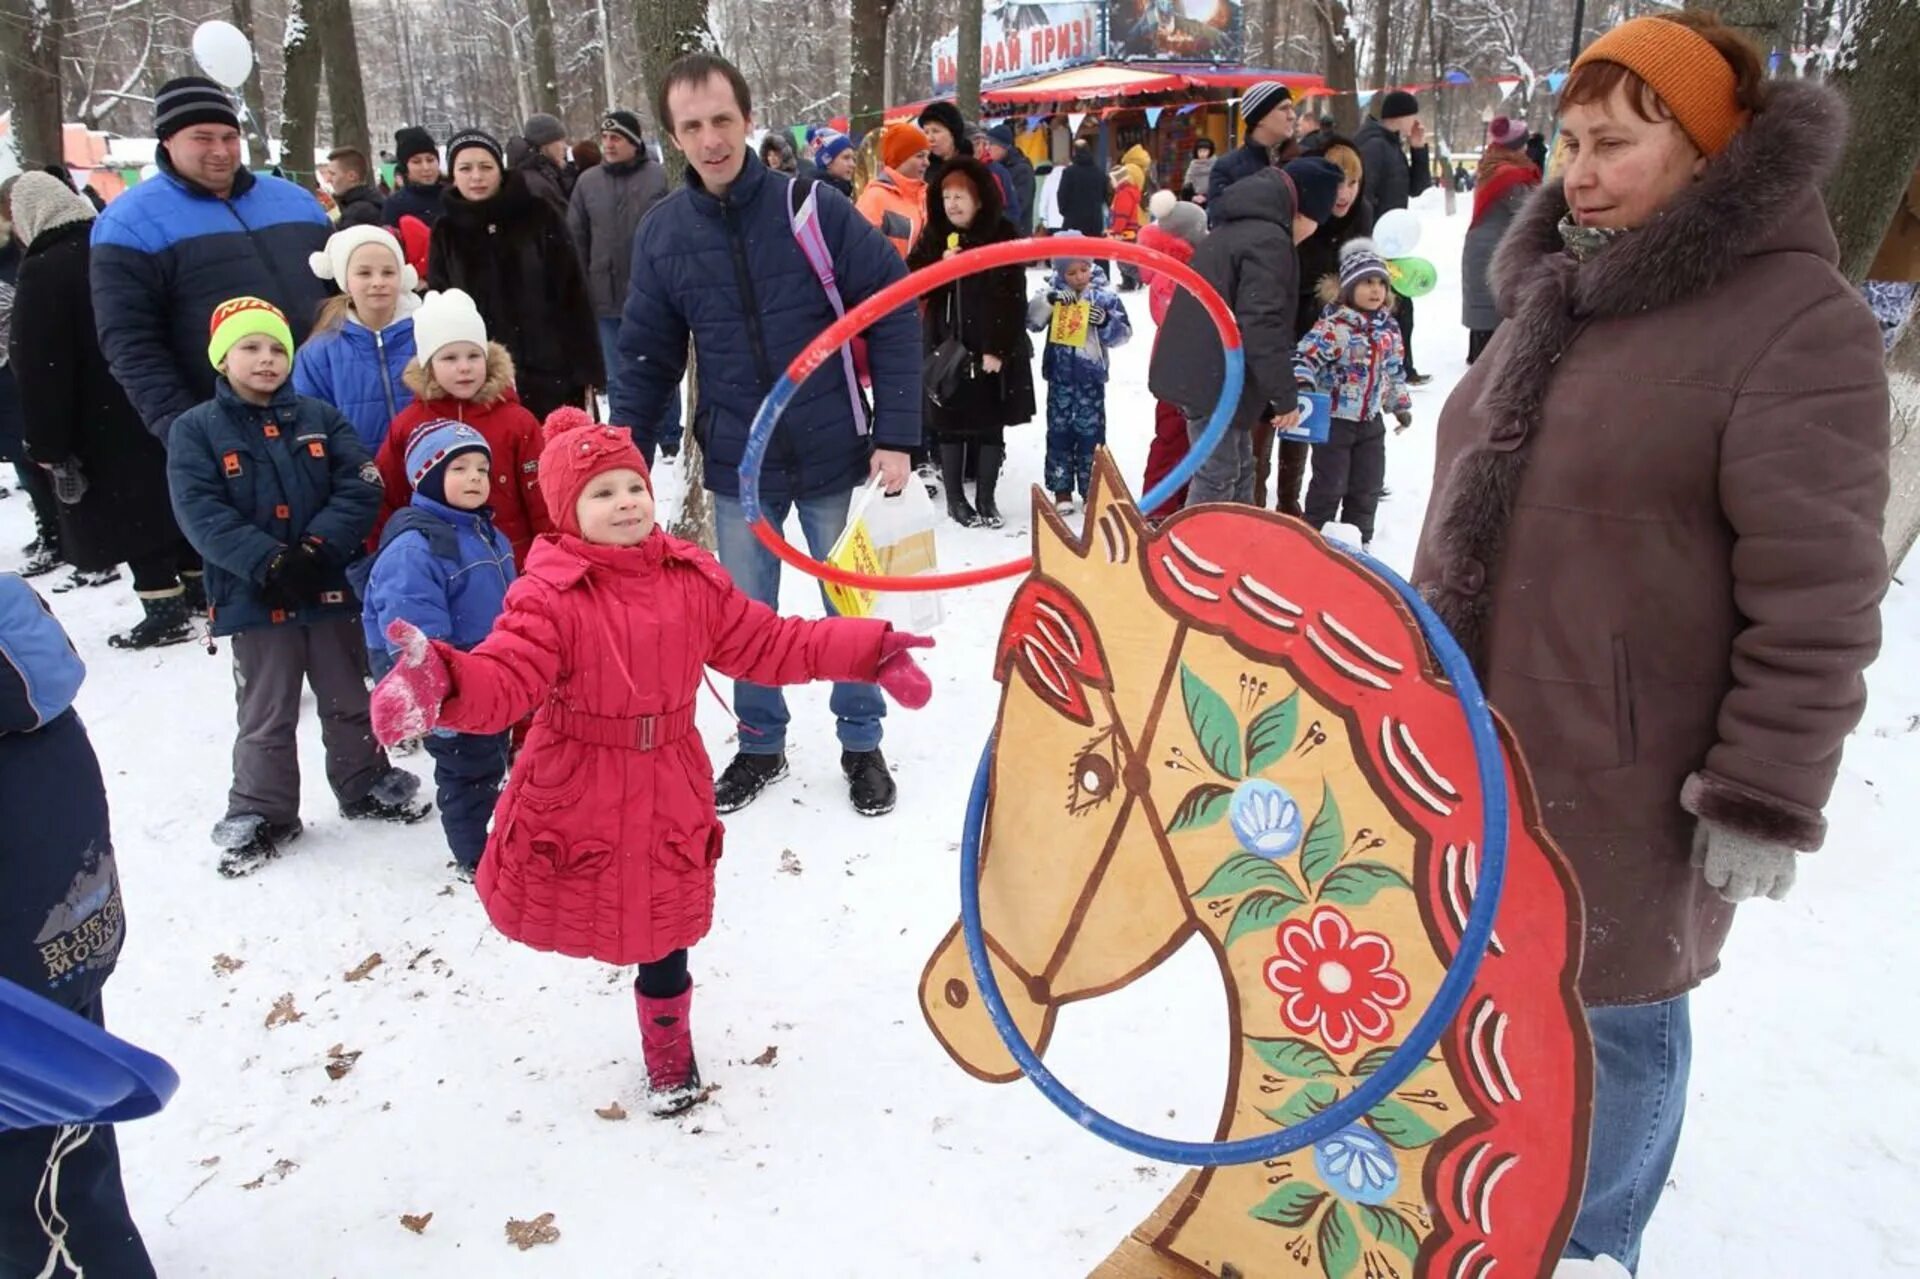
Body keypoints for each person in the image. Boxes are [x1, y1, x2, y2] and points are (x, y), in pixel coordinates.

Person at [1411, 16, 1890, 1272]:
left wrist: (1767, 791)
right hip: (1473, 745)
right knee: (1476, 1012)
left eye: (1616, 143)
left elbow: (1821, 589)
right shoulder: (1561, 287)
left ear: (1710, 151)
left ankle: (1591, 1245)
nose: (1579, 169)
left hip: (1632, 771)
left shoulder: (1798, 324)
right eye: (1569, 140)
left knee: (1608, 1021)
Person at [367, 411, 935, 1115]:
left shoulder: (689, 577)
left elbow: (773, 643)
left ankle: (670, 1051)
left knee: (666, 925)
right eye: (602, 493)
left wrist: (868, 648)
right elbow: (507, 676)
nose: (627, 502)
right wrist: (444, 683)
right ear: (568, 510)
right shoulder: (549, 592)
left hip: (670, 775)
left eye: (634, 485)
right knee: (599, 903)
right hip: (579, 781)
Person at [614, 52, 922, 818]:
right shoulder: (664, 234)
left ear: (748, 120)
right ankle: (758, 740)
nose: (711, 138)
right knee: (745, 612)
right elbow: (646, 354)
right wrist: (621, 456)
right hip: (735, 464)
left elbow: (894, 306)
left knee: (848, 600)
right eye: (692, 126)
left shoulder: (812, 207)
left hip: (828, 449)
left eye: (722, 119)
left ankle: (860, 739)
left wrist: (898, 431)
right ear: (674, 137)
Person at [166, 297, 430, 875]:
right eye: (250, 348)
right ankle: (264, 809)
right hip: (254, 596)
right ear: (222, 357)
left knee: (347, 695)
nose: (266, 360)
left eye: (277, 349)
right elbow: (199, 512)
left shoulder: (321, 416)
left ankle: (364, 779)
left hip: (327, 584)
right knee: (266, 709)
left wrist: (315, 549)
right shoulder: (196, 431)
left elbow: (360, 484)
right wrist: (268, 563)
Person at [0, 575, 157, 1278]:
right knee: (72, 1131)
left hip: (16, 994)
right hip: (64, 950)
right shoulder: (34, 675)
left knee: (25, 1179)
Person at [7, 173, 200, 649]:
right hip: (154, 393)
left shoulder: (45, 267)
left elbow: (38, 362)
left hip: (96, 415)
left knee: (131, 515)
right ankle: (200, 586)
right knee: (172, 495)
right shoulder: (117, 243)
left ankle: (163, 609)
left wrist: (46, 440)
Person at [91, 76, 332, 446]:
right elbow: (131, 344)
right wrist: (183, 429)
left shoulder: (297, 202)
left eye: (229, 137)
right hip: (227, 424)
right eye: (202, 138)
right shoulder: (129, 223)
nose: (220, 150)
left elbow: (342, 297)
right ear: (168, 140)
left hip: (323, 409)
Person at [360, 421, 513, 878]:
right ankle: (474, 856)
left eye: (482, 469)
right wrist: (438, 692)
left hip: (490, 676)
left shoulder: (486, 532)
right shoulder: (417, 546)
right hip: (449, 686)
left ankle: (491, 832)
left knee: (491, 760)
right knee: (467, 773)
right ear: (427, 477)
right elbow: (412, 632)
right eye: (460, 468)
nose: (474, 479)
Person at [1151, 157, 1341, 507]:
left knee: (1240, 466)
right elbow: (1261, 322)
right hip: (1210, 375)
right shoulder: (1269, 240)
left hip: (1210, 370)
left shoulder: (1246, 225)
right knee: (1219, 473)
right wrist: (1283, 395)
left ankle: (1237, 545)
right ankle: (1194, 551)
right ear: (1306, 212)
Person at [429, 129, 603, 420]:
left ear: (500, 169)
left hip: (552, 373)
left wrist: (587, 368)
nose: (476, 176)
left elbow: (573, 293)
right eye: (465, 168)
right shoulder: (446, 231)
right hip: (480, 381)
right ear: (453, 174)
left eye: (486, 167)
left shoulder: (538, 214)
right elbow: (440, 306)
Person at [375, 289, 552, 566]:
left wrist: (549, 559)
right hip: (437, 563)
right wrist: (387, 558)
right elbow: (389, 498)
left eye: (473, 356)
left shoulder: (518, 422)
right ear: (428, 366)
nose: (464, 367)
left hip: (512, 562)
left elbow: (543, 500)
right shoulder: (409, 425)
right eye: (449, 358)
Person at [906, 157, 1036, 529]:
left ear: (978, 199)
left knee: (989, 423)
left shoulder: (1002, 232)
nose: (952, 204)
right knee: (950, 422)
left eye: (960, 196)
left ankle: (986, 498)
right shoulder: (935, 235)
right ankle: (957, 502)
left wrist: (999, 348)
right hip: (946, 347)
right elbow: (911, 279)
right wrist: (940, 265)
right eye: (946, 196)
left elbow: (1013, 295)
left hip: (989, 344)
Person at [1292, 239, 1411, 552]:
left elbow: (1394, 370)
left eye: (1380, 283)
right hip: (1335, 422)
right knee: (1329, 485)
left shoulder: (1389, 329)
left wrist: (1399, 404)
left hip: (1370, 422)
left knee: (1367, 486)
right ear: (1348, 288)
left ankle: (1360, 545)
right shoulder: (1335, 327)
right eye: (1366, 283)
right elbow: (1303, 357)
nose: (1375, 291)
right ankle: (1315, 540)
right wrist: (1304, 383)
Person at [1281, 133, 1373, 515]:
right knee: (1284, 411)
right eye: (1338, 181)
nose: (1345, 192)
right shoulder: (1302, 213)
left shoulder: (1363, 214)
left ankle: (1304, 502)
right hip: (1291, 326)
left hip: (1339, 340)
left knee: (1323, 421)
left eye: (1352, 182)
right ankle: (1273, 497)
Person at [568, 110, 672, 436]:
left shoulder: (658, 176)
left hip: (652, 296)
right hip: (605, 296)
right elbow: (576, 236)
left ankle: (668, 434)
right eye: (605, 138)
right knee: (617, 373)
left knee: (661, 368)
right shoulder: (588, 181)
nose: (609, 144)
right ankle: (622, 431)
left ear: (634, 142)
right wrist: (582, 285)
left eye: (617, 138)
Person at [292, 225, 420, 453]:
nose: (378, 282)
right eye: (364, 273)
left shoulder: (426, 334)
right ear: (345, 280)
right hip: (357, 475)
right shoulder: (319, 352)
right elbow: (309, 422)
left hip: (432, 472)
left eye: (388, 272)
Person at [1028, 256, 1130, 517]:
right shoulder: (1052, 295)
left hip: (1090, 377)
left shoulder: (1104, 298)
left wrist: (1106, 321)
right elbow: (1032, 322)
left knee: (1092, 435)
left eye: (1084, 269)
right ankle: (1061, 488)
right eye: (1071, 272)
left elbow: (1123, 334)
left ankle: (1091, 489)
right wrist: (1050, 302)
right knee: (1059, 432)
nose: (1079, 277)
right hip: (1060, 377)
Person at [1138, 192, 1207, 521]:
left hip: (1190, 368)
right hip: (1175, 371)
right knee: (1171, 439)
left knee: (1188, 441)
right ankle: (1158, 506)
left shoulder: (1190, 268)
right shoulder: (1171, 272)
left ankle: (1177, 502)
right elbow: (1169, 314)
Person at [1355, 90, 1433, 384]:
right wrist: (1371, 240)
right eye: (1413, 114)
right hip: (1376, 242)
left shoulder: (1392, 144)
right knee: (1393, 306)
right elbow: (1366, 195)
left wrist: (1418, 149)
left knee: (1400, 306)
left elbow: (1417, 186)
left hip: (1392, 241)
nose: (1416, 121)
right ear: (1402, 115)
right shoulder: (1374, 145)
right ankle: (1395, 369)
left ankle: (1401, 368)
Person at [1462, 116, 1542, 364]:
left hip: (1483, 246)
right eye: (1525, 142)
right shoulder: (1510, 175)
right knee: (1492, 315)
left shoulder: (1493, 164)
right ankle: (1485, 366)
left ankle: (1479, 360)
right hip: (1494, 250)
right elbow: (1530, 211)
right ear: (1518, 145)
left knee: (1484, 314)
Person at [1207, 81, 1297, 217]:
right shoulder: (1227, 167)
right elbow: (1222, 223)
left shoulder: (1306, 158)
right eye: (1284, 108)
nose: (1292, 116)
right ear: (1260, 118)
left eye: (1291, 108)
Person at [857, 123, 931, 258]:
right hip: (892, 278)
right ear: (900, 158)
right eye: (920, 156)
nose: (927, 162)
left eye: (927, 156)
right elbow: (861, 250)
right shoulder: (875, 197)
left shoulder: (926, 196)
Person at [508, 113, 574, 220]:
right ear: (546, 145)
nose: (565, 147)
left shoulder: (543, 175)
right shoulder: (537, 184)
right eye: (560, 140)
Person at [382, 126, 447, 229]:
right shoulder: (395, 205)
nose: (426, 167)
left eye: (430, 160)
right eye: (416, 162)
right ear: (405, 168)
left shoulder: (454, 196)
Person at [1056, 139, 1109, 249]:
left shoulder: (1069, 172)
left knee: (1074, 254)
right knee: (1094, 253)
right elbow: (1106, 195)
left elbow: (1061, 195)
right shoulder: (1099, 173)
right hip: (1094, 221)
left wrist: (1065, 212)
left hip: (1073, 221)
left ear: (1074, 152)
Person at [982, 125, 1034, 231]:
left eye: (991, 144)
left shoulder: (1022, 170)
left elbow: (1019, 204)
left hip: (1017, 233)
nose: (987, 148)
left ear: (1003, 146)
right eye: (985, 144)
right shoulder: (992, 167)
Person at [1107, 161, 1147, 290]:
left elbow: (1121, 215)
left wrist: (1116, 231)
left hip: (1125, 231)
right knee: (1124, 257)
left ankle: (1137, 278)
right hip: (1129, 230)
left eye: (1112, 179)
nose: (1111, 183)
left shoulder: (1124, 193)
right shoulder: (1125, 192)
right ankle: (1129, 282)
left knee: (1123, 259)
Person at [917, 100, 974, 190]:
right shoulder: (923, 170)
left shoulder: (973, 168)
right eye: (926, 132)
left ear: (953, 133)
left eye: (936, 131)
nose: (930, 138)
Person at [327, 147, 384, 228]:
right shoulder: (370, 201)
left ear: (352, 176)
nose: (328, 180)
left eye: (332, 174)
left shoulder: (359, 213)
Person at [815, 131, 857, 197]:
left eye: (853, 159)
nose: (853, 164)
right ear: (828, 163)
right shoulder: (822, 196)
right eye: (846, 158)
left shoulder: (846, 189)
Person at [1180, 136, 1217, 205]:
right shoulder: (1193, 165)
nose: (1202, 154)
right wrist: (1193, 197)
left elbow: (1217, 184)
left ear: (1210, 151)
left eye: (1205, 151)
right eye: (1200, 151)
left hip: (1212, 201)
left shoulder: (1215, 165)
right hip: (1195, 201)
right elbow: (1187, 184)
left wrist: (1206, 197)